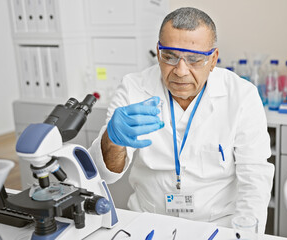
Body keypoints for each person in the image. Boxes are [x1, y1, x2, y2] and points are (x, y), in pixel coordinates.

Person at [88, 7, 274, 233]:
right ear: (158, 52)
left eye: (194, 59)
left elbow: (254, 180)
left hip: (218, 226)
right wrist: (112, 140)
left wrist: (244, 235)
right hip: (149, 222)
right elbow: (105, 174)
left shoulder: (241, 95)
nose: (180, 70)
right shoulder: (133, 88)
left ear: (213, 59)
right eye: (170, 57)